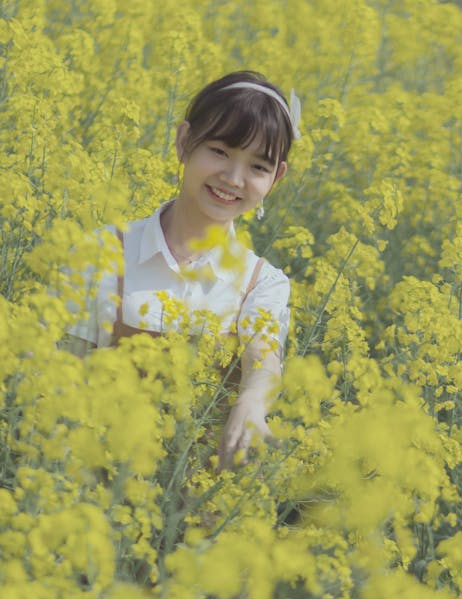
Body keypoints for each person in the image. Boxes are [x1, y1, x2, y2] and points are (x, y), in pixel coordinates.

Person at [66, 70, 300, 468]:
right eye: (220, 152)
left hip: (194, 517)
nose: (233, 178)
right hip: (90, 495)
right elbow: (63, 373)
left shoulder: (263, 284)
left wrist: (252, 401)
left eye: (258, 167)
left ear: (276, 177)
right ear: (183, 141)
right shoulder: (103, 251)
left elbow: (264, 364)